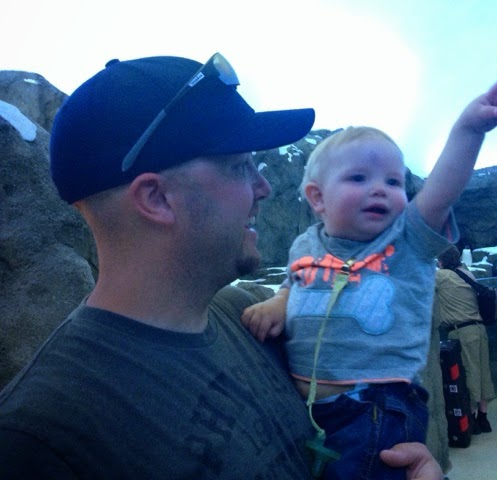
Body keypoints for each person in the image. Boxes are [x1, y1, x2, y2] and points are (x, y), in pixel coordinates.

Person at [0, 53, 444, 479]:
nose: (264, 187)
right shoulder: (41, 436)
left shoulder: (251, 321)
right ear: (156, 198)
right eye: (239, 167)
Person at [242, 72, 497, 477]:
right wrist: (279, 304)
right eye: (358, 178)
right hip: (310, 410)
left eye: (393, 181)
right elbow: (292, 286)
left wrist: (469, 129)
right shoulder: (304, 245)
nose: (380, 189)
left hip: (376, 409)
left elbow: (443, 189)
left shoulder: (407, 239)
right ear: (317, 197)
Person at [435, 246, 495, 435]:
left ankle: (471, 419)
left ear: (441, 261)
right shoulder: (466, 273)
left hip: (461, 332)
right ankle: (483, 418)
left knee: (469, 374)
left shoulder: (442, 276)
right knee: (483, 372)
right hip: (479, 329)